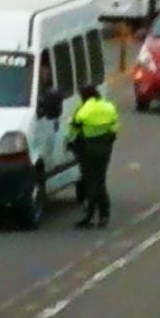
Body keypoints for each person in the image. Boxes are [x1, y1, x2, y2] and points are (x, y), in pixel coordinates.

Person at [68, 85, 119, 229]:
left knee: (90, 182)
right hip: (105, 149)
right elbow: (115, 128)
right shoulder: (108, 107)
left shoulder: (83, 110)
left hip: (88, 149)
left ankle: (89, 217)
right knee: (100, 181)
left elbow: (74, 130)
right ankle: (104, 215)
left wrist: (70, 144)